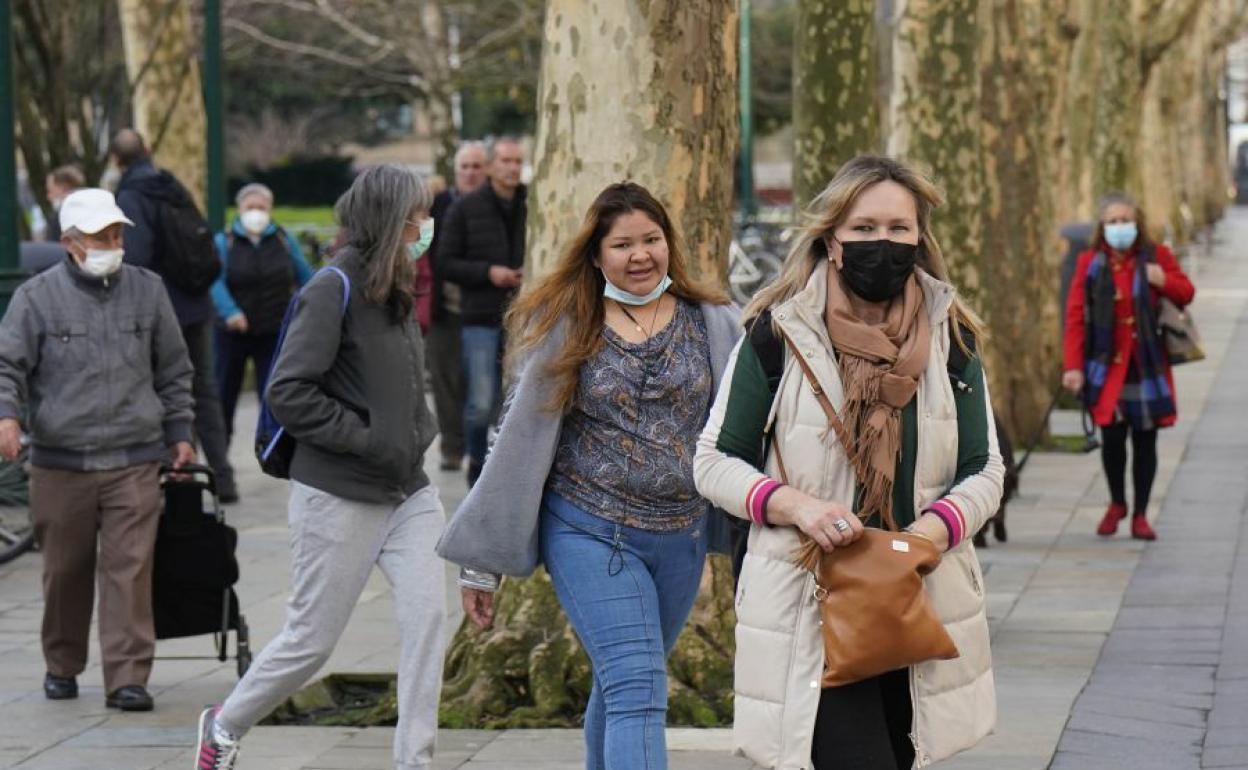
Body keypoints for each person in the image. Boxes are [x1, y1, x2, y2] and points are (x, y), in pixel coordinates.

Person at [693, 155, 1004, 770]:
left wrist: (933, 530)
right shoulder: (776, 334)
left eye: (897, 229)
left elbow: (985, 468)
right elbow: (714, 461)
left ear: (919, 239)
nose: (880, 244)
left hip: (918, 596)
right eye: (863, 229)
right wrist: (798, 507)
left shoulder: (953, 339)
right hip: (811, 600)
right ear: (831, 239)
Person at [438, 182, 741, 770]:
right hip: (589, 531)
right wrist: (482, 561)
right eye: (622, 243)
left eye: (651, 239)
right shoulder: (568, 323)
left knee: (623, 684)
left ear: (668, 244)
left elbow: (753, 421)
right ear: (596, 253)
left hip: (681, 536)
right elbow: (514, 437)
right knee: (639, 688)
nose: (640, 254)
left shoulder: (715, 320)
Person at [194, 166, 445, 770]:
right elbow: (289, 391)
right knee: (311, 642)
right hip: (339, 492)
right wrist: (364, 438)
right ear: (391, 219)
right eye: (418, 214)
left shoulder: (398, 286)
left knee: (429, 622)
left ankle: (416, 760)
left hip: (408, 489)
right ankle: (224, 727)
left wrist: (411, 436)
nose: (425, 226)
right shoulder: (330, 287)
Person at [0, 189, 196, 712]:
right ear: (69, 243)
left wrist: (180, 432)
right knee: (65, 571)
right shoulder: (35, 298)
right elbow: (7, 366)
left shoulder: (149, 291)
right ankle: (62, 663)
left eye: (116, 234)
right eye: (99, 237)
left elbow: (174, 369)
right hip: (61, 461)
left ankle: (127, 677)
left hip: (134, 457)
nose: (112, 244)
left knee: (129, 570)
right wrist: (7, 416)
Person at [111, 129, 239, 503]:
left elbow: (136, 255)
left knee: (167, 389)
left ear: (116, 161)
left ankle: (178, 475)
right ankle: (223, 475)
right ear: (149, 150)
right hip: (197, 303)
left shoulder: (132, 195)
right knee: (204, 391)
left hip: (164, 309)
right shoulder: (171, 185)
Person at [1062, 192, 1195, 541]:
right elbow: (1075, 316)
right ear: (1102, 227)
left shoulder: (1156, 257)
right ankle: (1118, 502)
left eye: (1126, 220)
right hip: (1104, 368)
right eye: (1113, 221)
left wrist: (1161, 278)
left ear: (1138, 223)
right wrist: (1073, 367)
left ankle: (1140, 515)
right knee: (1113, 440)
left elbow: (1186, 291)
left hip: (1146, 365)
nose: (1120, 227)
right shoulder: (1090, 262)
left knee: (1146, 441)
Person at [436, 136, 526, 486]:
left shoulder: (534, 201)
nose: (513, 168)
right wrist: (488, 273)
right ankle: (476, 464)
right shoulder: (465, 208)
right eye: (506, 161)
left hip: (525, 314)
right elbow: (445, 262)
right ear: (491, 166)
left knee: (518, 399)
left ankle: (509, 466)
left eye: (518, 161)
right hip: (480, 315)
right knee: (480, 399)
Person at [210, 183, 313, 445]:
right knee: (224, 394)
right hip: (232, 333)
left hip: (272, 330)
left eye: (261, 207)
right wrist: (230, 312)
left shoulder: (283, 239)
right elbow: (215, 281)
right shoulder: (225, 241)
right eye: (250, 207)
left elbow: (305, 277)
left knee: (273, 395)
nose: (255, 212)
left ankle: (273, 447)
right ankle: (220, 452)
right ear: (240, 209)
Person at [425, 141, 487, 471]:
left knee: (479, 383)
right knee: (444, 380)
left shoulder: (495, 206)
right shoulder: (438, 205)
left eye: (477, 166)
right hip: (441, 309)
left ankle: (477, 446)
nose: (470, 173)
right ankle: (451, 445)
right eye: (465, 166)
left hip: (483, 309)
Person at [43, 165, 85, 242]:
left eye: (50, 191)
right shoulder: (92, 210)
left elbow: (53, 246)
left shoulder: (59, 217)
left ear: (63, 188)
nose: (48, 197)